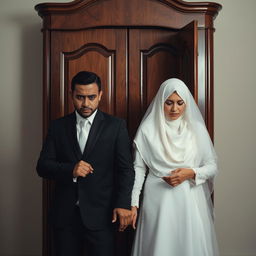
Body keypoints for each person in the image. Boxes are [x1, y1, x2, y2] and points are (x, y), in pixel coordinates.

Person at [36, 71, 135, 256]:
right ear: (71, 95)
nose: (86, 103)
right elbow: (42, 166)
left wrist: (123, 203)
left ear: (100, 95)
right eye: (80, 97)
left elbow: (126, 170)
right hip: (64, 217)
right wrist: (70, 170)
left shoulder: (116, 126)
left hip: (102, 216)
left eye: (91, 97)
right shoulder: (58, 126)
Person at [130, 78, 219, 256]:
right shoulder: (147, 130)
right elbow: (139, 169)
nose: (174, 109)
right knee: (159, 246)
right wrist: (133, 203)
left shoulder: (196, 129)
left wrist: (191, 173)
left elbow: (212, 166)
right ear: (160, 101)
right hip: (157, 199)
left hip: (188, 198)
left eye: (180, 103)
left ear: (186, 104)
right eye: (169, 102)